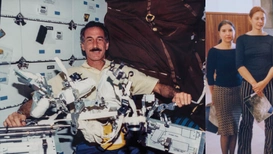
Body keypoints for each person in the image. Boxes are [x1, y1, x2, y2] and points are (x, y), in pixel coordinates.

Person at [4, 21, 193, 153]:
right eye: (89, 40)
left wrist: (177, 94)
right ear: (83, 46)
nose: (95, 44)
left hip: (125, 144)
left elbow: (159, 87)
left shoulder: (123, 72)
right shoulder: (68, 76)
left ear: (107, 44)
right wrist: (21, 113)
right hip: (89, 147)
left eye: (100, 39)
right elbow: (38, 98)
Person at [235, 7, 273, 154]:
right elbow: (239, 65)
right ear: (250, 19)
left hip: (268, 84)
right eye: (257, 18)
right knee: (247, 122)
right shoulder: (242, 39)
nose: (260, 21)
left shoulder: (271, 39)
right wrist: (255, 84)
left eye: (262, 18)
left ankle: (270, 151)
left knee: (270, 122)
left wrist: (264, 83)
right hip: (249, 85)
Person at [207, 20, 242, 154]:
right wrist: (213, 94)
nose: (228, 33)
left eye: (230, 30)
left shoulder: (239, 49)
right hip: (221, 92)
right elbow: (209, 75)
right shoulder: (214, 51)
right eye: (224, 30)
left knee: (234, 127)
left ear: (234, 32)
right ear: (219, 33)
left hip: (238, 90)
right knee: (225, 129)